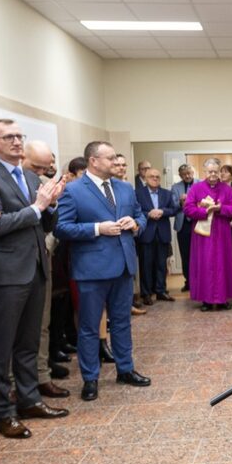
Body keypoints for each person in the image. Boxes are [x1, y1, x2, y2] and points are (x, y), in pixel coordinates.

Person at [0, 119, 69, 439]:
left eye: (18, 136)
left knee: (28, 343)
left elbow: (45, 223)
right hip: (6, 274)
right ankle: (4, 412)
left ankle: (29, 400)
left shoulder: (28, 175)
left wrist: (51, 204)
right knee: (2, 346)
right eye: (8, 137)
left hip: (36, 268)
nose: (15, 142)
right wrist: (39, 206)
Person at [55, 141, 150, 401]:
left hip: (123, 266)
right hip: (92, 270)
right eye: (110, 158)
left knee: (121, 322)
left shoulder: (125, 188)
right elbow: (62, 228)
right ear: (93, 161)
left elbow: (140, 216)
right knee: (89, 326)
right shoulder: (73, 191)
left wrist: (135, 223)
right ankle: (90, 378)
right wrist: (98, 228)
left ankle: (125, 369)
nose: (116, 163)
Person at [23, 140, 72, 391]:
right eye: (37, 167)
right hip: (14, 267)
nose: (43, 172)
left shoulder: (42, 184)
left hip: (44, 258)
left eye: (47, 166)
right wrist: (40, 205)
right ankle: (17, 384)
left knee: (43, 323)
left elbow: (50, 224)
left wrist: (52, 204)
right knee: (17, 331)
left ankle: (42, 376)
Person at [184, 158, 232, 311]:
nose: (213, 174)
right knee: (205, 265)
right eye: (210, 172)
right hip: (203, 235)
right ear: (205, 172)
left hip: (222, 233)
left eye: (216, 171)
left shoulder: (227, 189)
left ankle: (222, 299)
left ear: (219, 171)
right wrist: (204, 211)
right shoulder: (196, 189)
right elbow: (187, 209)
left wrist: (220, 209)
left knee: (223, 264)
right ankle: (206, 300)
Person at [135, 167, 179, 305]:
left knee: (161, 264)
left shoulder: (166, 193)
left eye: (157, 177)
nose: (155, 179)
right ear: (145, 178)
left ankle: (161, 291)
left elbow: (174, 209)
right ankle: (146, 293)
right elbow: (134, 211)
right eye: (151, 176)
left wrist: (162, 211)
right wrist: (148, 214)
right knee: (146, 265)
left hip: (162, 234)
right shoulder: (137, 193)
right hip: (146, 234)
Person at [169, 164, 196, 291]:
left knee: (199, 254)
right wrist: (181, 203)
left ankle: (199, 281)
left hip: (198, 223)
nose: (187, 175)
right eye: (184, 174)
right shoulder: (175, 187)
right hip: (183, 225)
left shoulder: (201, 184)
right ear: (180, 175)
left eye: (189, 173)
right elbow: (173, 207)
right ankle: (189, 282)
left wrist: (191, 201)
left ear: (193, 172)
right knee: (185, 255)